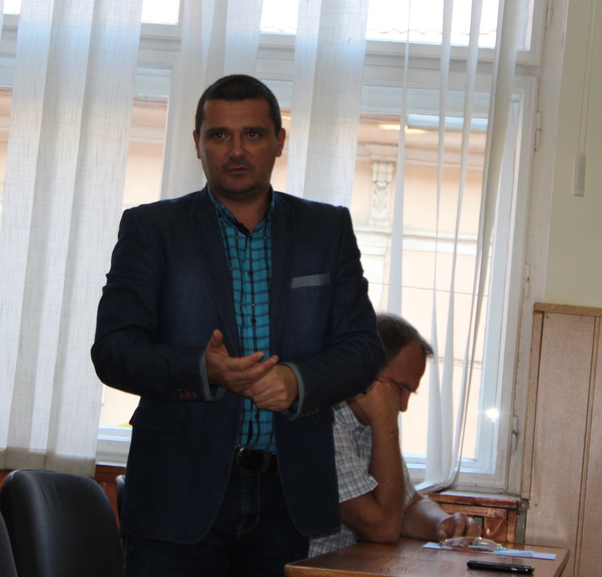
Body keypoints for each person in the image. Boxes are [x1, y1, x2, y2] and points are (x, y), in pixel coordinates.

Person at [91, 74, 385, 576]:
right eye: (219, 135)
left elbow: (363, 349)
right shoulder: (152, 228)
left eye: (252, 134)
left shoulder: (325, 229)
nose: (236, 151)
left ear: (279, 141)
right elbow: (114, 350)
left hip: (287, 497)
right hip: (176, 498)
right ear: (197, 144)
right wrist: (203, 369)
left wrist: (297, 380)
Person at [309, 313, 481, 557]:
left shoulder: (368, 424)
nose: (403, 406)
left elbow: (408, 505)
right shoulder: (323, 424)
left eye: (410, 393)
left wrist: (442, 523)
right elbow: (382, 528)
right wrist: (386, 424)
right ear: (364, 373)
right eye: (399, 389)